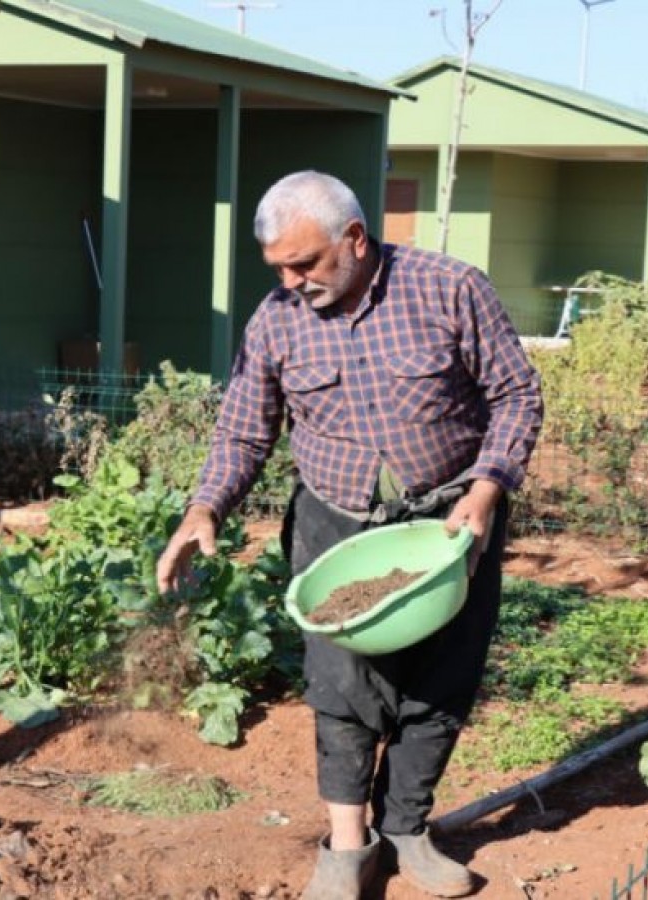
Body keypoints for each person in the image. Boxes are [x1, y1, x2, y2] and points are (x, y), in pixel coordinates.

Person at [155, 170, 543, 899]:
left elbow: (516, 394)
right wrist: (205, 507)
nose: (292, 281)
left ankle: (407, 830)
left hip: (450, 523)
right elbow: (244, 429)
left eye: (304, 263)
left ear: (354, 240)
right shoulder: (275, 321)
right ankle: (346, 846)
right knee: (340, 687)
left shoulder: (449, 289)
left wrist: (487, 488)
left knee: (440, 680)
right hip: (334, 520)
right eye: (278, 269)